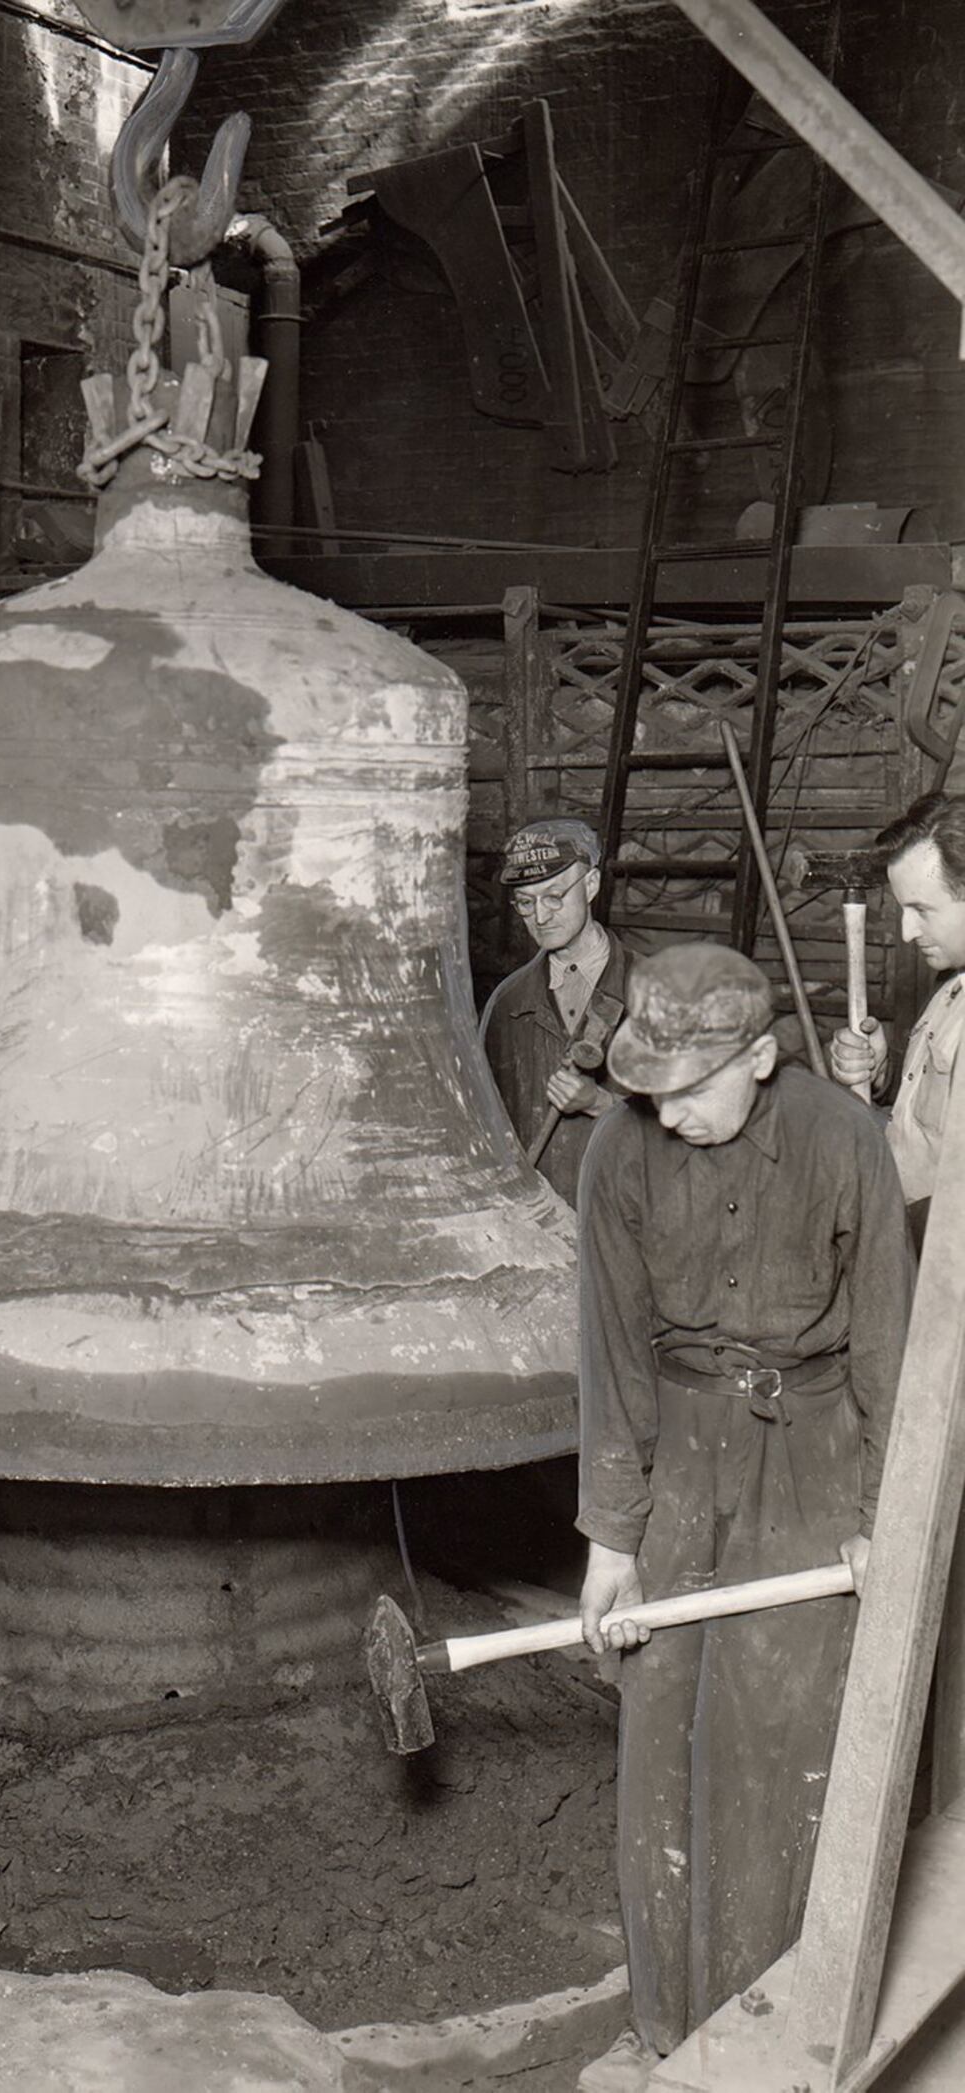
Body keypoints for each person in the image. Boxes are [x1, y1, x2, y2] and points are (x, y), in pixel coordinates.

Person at [573, 942, 911, 2090]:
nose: (667, 1116)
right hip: (678, 1463)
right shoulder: (619, 1155)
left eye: (690, 1089)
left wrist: (881, 1516)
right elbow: (611, 1353)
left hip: (810, 1459)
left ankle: (766, 2027)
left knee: (774, 1733)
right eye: (648, 1089)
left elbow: (888, 1344)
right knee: (660, 1716)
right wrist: (612, 1539)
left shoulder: (839, 1139)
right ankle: (666, 2024)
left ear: (761, 1056)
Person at [829, 790, 965, 1247]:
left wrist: (879, 1232)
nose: (907, 932)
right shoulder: (951, 985)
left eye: (922, 910)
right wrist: (886, 1073)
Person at [480, 817, 630, 1205]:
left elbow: (695, 1128)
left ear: (592, 885)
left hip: (629, 1215)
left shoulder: (656, 988)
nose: (540, 917)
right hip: (542, 1223)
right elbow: (487, 1126)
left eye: (554, 896)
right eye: (525, 903)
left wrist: (600, 1103)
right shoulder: (508, 1003)